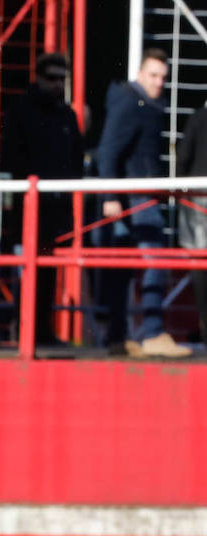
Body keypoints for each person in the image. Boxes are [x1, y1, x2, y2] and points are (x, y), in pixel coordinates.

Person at [94, 48, 188, 358]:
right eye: (153, 75)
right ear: (140, 73)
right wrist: (110, 197)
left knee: (122, 269)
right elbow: (108, 150)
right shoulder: (131, 104)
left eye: (163, 77)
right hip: (135, 197)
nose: (159, 82)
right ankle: (151, 332)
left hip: (134, 194)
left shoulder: (138, 102)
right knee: (155, 261)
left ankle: (119, 337)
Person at [0, 52, 84, 346]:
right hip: (28, 204)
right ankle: (24, 331)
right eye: (51, 78)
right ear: (38, 77)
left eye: (62, 78)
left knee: (49, 269)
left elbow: (75, 159)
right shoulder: (22, 110)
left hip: (55, 205)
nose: (58, 84)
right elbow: (10, 157)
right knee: (27, 269)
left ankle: (43, 331)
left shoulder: (67, 115)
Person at [177, 101, 207, 343]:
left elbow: (183, 157)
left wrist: (179, 191)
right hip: (198, 200)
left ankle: (204, 324)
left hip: (198, 201)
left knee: (200, 264)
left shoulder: (198, 118)